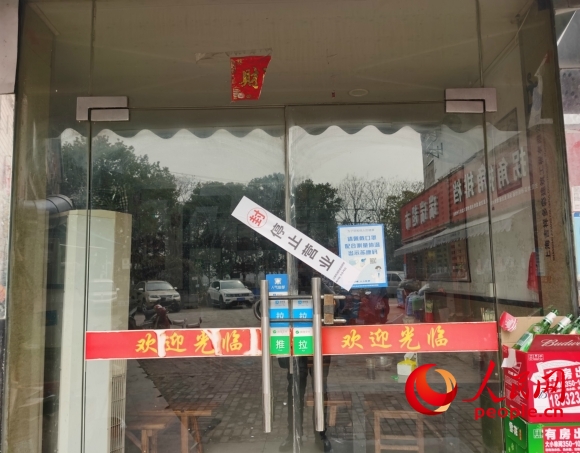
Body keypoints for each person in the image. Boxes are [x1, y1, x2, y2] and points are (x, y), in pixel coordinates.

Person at [279, 356, 332, 452]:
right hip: (297, 352)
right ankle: (293, 434)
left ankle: (320, 434)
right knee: (294, 391)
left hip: (319, 351)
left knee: (320, 390)